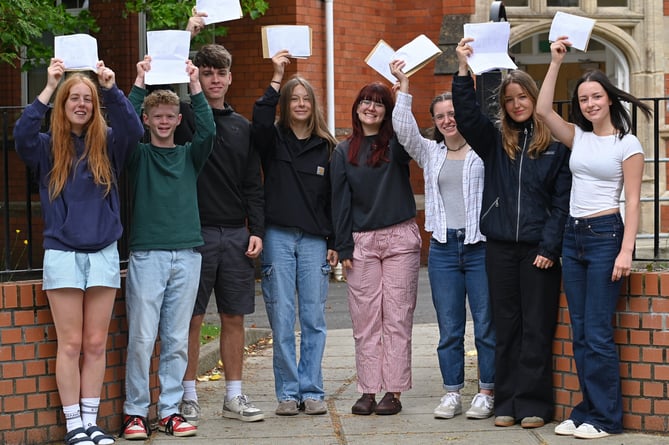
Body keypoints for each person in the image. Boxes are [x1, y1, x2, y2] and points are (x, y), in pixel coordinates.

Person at [13, 58, 143, 445]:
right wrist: (50, 85)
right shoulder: (46, 146)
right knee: (70, 344)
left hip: (103, 251)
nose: (82, 104)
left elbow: (134, 130)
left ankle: (92, 421)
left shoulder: (109, 145)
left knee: (95, 343)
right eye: (75, 98)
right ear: (64, 104)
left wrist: (111, 87)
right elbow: (20, 134)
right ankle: (73, 426)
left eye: (88, 99)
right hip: (64, 253)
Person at [453, 37, 572, 429]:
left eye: (523, 97)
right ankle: (505, 402)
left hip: (539, 250)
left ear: (533, 99)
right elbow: (467, 117)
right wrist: (461, 70)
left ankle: (533, 404)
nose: (517, 104)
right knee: (505, 327)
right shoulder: (494, 142)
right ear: (503, 106)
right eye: (510, 99)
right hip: (500, 247)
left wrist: (550, 247)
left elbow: (561, 203)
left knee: (536, 328)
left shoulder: (555, 148)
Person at [536, 36, 651, 440]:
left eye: (596, 96)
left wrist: (626, 251)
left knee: (599, 334)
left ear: (609, 99)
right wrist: (554, 62)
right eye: (583, 98)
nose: (589, 104)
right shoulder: (578, 138)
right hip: (574, 237)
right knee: (580, 332)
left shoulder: (628, 144)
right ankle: (586, 411)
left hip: (605, 237)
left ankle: (606, 419)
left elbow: (634, 202)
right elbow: (542, 109)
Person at [390, 60, 495, 420]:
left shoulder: (484, 148)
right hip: (444, 250)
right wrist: (404, 87)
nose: (448, 120)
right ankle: (452, 392)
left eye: (452, 113)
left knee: (485, 325)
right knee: (449, 328)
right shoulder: (430, 152)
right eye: (440, 116)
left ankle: (486, 391)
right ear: (434, 122)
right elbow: (403, 131)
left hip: (480, 246)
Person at [121, 56, 215, 440]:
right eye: (155, 115)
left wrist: (194, 84)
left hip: (188, 254)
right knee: (142, 338)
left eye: (169, 116)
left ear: (178, 120)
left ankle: (171, 411)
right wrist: (139, 80)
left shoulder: (189, 155)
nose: (162, 121)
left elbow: (208, 132)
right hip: (147, 254)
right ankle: (135, 413)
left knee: (176, 339)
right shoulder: (137, 156)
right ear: (147, 119)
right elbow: (123, 130)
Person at [179, 42, 265, 425]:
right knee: (191, 319)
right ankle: (188, 396)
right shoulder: (183, 118)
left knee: (234, 318)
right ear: (196, 75)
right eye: (206, 72)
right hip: (192, 233)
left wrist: (256, 229)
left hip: (234, 233)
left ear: (230, 78)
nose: (214, 79)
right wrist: (187, 34)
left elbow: (253, 184)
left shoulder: (242, 127)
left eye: (220, 73)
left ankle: (234, 395)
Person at [252, 50, 339, 416]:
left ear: (313, 105)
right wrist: (277, 77)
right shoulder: (272, 141)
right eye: (294, 99)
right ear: (285, 105)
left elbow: (336, 201)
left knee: (314, 320)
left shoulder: (328, 147)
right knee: (283, 317)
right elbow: (258, 120)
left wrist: (336, 242)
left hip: (316, 242)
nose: (301, 104)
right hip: (278, 238)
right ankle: (288, 392)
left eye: (306, 99)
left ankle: (312, 390)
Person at [330, 81, 421, 416]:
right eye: (365, 101)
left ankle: (393, 392)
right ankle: (368, 390)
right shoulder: (343, 151)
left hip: (399, 238)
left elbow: (407, 133)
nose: (371, 107)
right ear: (356, 107)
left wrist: (404, 91)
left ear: (387, 111)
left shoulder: (396, 144)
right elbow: (339, 202)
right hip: (361, 243)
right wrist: (342, 248)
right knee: (365, 321)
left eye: (379, 103)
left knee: (397, 319)